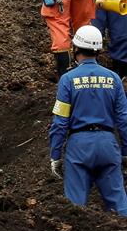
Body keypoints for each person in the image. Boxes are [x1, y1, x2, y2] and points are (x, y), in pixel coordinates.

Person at [49, 25, 127, 216]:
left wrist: (55, 155)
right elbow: (124, 119)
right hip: (108, 145)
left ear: (75, 49)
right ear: (99, 50)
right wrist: (125, 150)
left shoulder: (68, 80)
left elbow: (60, 121)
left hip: (79, 147)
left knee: (75, 209)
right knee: (120, 208)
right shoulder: (114, 79)